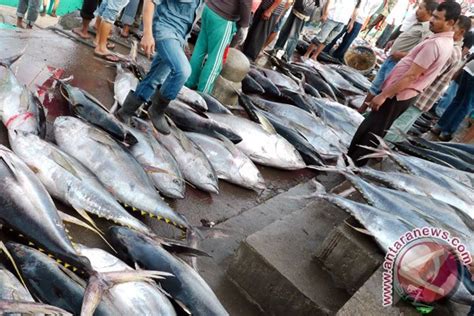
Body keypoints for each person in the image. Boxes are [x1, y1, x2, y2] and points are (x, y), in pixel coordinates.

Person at [347, 1, 461, 166]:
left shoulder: (435, 44)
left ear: (450, 22)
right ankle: (355, 160)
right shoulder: (444, 42)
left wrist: (383, 95)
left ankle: (353, 163)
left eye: (437, 18)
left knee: (371, 130)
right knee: (375, 128)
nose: (431, 20)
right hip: (402, 94)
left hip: (398, 94)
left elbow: (411, 76)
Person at [115, 0, 201, 134]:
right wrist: (147, 34)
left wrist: (183, 41)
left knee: (155, 78)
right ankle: (157, 109)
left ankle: (125, 113)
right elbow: (149, 1)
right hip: (164, 30)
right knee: (183, 71)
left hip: (179, 36)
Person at [385, 15, 472, 143]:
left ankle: (382, 147)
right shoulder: (453, 48)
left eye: (452, 27)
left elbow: (430, 73)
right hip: (424, 96)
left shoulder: (452, 50)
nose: (448, 28)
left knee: (400, 123)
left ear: (461, 31)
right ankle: (387, 146)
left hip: (422, 95)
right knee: (404, 122)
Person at [358, 0, 437, 113]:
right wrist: (394, 42)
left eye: (420, 8)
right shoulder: (417, 23)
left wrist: (402, 55)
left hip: (398, 65)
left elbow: (420, 53)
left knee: (384, 90)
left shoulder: (427, 31)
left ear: (429, 12)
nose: (417, 11)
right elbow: (408, 38)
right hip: (391, 59)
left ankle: (369, 114)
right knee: (376, 85)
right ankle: (362, 108)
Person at [185, 0, 252, 93]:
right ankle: (203, 93)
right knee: (216, 60)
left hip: (209, 9)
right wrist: (245, 25)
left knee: (199, 50)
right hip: (223, 18)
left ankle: (188, 82)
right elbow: (245, 2)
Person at [431, 58, 474, 141]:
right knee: (466, 105)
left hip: (470, 67)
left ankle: (439, 126)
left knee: (458, 100)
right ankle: (446, 132)